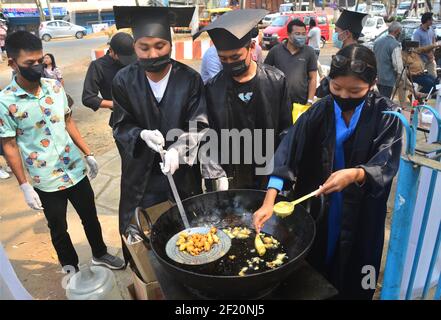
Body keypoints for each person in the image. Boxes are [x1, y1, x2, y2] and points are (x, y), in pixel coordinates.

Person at [253, 44, 402, 299]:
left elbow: (386, 161)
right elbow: (287, 153)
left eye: (355, 90)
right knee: (319, 266)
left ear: (373, 83)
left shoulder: (387, 115)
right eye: (337, 87)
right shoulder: (319, 111)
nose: (344, 95)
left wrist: (355, 174)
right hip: (323, 207)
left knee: (358, 271)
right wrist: (269, 202)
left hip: (362, 211)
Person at [0, 31, 124, 272]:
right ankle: (70, 267)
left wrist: (88, 153)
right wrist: (24, 185)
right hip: (45, 179)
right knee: (58, 228)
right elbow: (9, 145)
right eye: (29, 64)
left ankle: (100, 253)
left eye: (40, 61)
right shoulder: (5, 102)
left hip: (74, 169)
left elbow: (68, 122)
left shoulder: (54, 88)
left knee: (90, 217)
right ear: (12, 63)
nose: (37, 67)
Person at [111, 6, 209, 246]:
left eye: (160, 46)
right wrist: (140, 134)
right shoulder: (124, 80)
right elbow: (120, 125)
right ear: (135, 47)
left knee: (189, 232)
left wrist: (179, 148)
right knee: (144, 235)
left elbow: (199, 124)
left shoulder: (189, 79)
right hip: (142, 174)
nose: (152, 54)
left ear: (171, 44)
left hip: (182, 170)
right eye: (144, 48)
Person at [194, 9, 292, 190]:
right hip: (230, 175)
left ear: (251, 48)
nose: (229, 62)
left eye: (235, 57)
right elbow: (205, 132)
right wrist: (215, 171)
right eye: (223, 58)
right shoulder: (213, 88)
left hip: (267, 172)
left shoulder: (275, 81)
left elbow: (286, 131)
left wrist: (279, 173)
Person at [82, 32, 136, 128]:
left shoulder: (136, 59)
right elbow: (88, 98)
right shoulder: (98, 66)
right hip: (122, 119)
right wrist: (117, 105)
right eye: (123, 58)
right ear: (111, 51)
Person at [265, 19, 317, 106]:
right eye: (297, 34)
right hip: (278, 102)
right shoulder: (275, 51)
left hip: (301, 103)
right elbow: (264, 74)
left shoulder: (309, 52)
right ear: (288, 34)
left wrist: (310, 101)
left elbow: (313, 78)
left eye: (303, 34)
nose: (301, 36)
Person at [317, 10, 368, 98]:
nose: (335, 34)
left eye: (336, 31)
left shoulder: (350, 57)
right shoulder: (363, 53)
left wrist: (325, 82)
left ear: (347, 33)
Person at [373, 21, 403, 99]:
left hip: (377, 77)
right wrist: (402, 77)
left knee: (379, 100)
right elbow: (398, 66)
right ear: (397, 32)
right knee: (385, 102)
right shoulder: (395, 44)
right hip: (388, 79)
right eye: (400, 32)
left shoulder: (377, 42)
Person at [412, 12, 437, 78]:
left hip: (431, 59)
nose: (432, 21)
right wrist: (427, 54)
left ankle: (434, 88)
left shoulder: (431, 29)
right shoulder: (417, 33)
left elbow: (433, 41)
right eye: (431, 19)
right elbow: (416, 49)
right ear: (427, 20)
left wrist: (433, 52)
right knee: (422, 81)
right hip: (421, 60)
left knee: (434, 78)